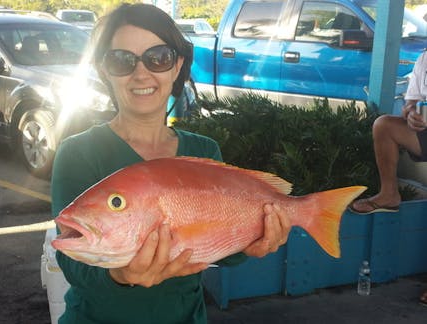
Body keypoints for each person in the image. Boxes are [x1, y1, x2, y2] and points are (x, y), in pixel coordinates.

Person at [50, 4, 291, 323]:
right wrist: (121, 275)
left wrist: (253, 245)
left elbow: (221, 251)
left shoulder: (204, 149)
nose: (141, 73)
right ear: (104, 69)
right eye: (122, 60)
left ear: (177, 66)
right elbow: (73, 264)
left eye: (158, 57)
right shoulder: (77, 152)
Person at [349, 51, 427, 214]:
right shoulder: (424, 58)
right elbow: (411, 100)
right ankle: (389, 194)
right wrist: (411, 112)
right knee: (384, 125)